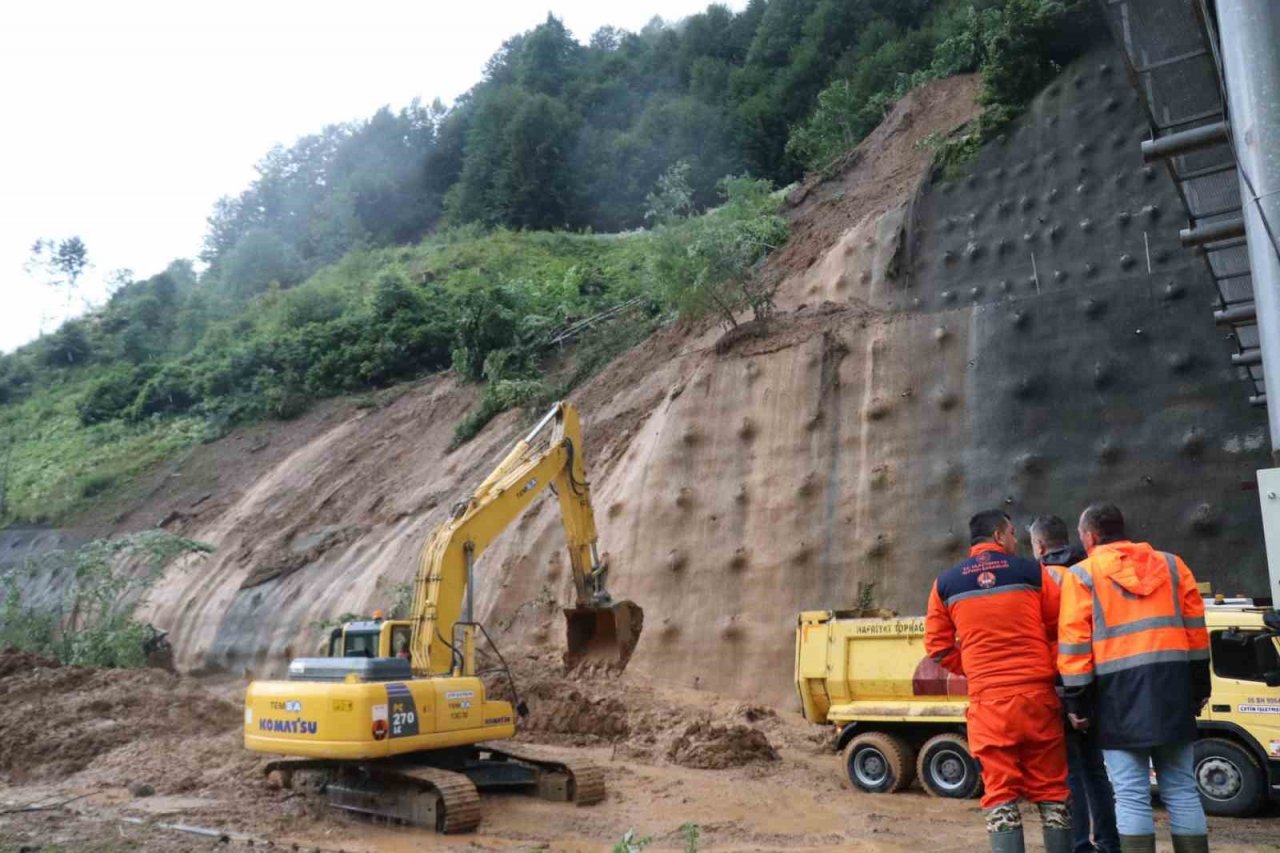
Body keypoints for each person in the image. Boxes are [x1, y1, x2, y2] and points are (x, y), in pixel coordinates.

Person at [1058, 504, 1211, 853]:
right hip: (1173, 692)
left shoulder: (1082, 576)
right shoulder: (1173, 566)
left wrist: (1076, 703)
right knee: (1182, 789)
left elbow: (1074, 646)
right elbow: (1196, 633)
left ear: (1090, 536)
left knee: (1129, 794)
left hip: (1116, 700)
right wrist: (1199, 688)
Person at [926, 509, 1072, 853]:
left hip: (989, 704)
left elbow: (937, 646)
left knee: (1001, 795)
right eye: (1011, 534)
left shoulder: (946, 583)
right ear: (997, 536)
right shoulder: (1033, 572)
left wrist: (976, 668)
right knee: (1052, 790)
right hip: (1037, 698)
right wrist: (1043, 665)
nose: (1015, 540)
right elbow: (1061, 628)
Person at [1030, 514, 1121, 853]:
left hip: (1059, 687)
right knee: (1096, 770)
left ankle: (1079, 845)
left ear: (1039, 545)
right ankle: (1110, 843)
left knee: (1069, 775)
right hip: (1097, 685)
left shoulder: (1040, 578)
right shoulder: (1090, 570)